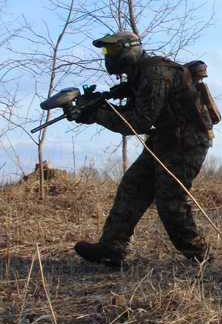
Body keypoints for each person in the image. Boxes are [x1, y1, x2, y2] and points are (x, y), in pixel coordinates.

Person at [73, 31, 213, 267]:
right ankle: (111, 248)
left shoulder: (155, 75)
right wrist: (101, 107)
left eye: (114, 50)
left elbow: (137, 123)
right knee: (133, 187)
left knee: (170, 202)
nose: (109, 55)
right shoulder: (141, 74)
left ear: (131, 48)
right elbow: (137, 113)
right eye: (107, 51)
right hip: (165, 139)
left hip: (187, 142)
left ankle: (201, 256)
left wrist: (96, 115)